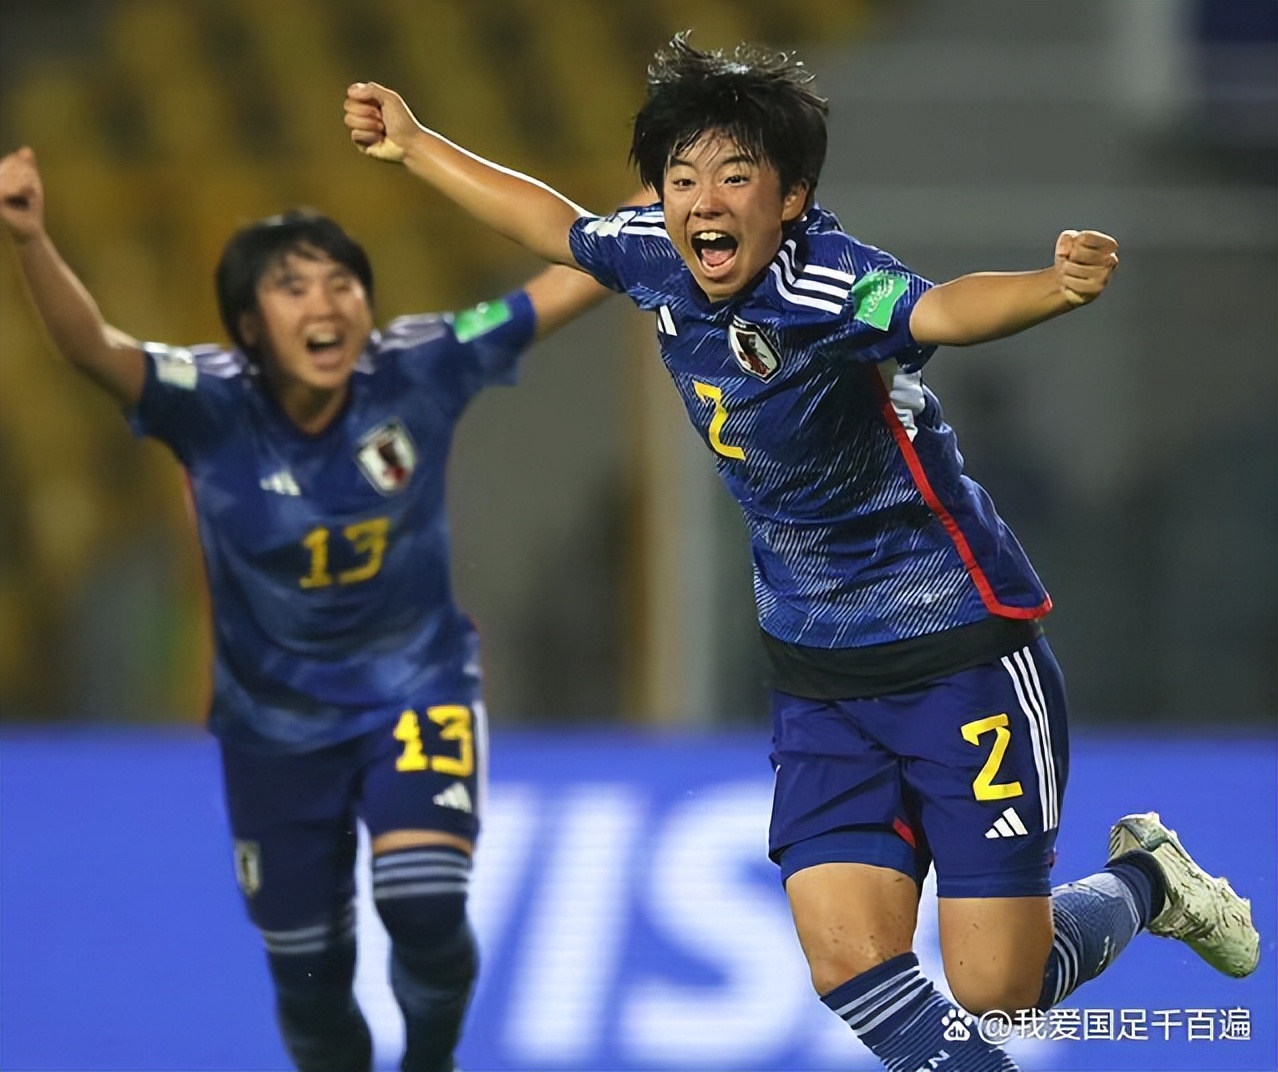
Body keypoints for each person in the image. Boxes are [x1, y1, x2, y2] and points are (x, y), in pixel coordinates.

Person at [341, 34, 1260, 1072]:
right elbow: (555, 224)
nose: (703, 200)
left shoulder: (832, 285)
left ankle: (1147, 880)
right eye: (683, 178)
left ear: (791, 199)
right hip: (818, 675)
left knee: (996, 987)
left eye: (736, 177)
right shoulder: (652, 253)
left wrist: (1053, 286)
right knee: (850, 963)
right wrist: (417, 145)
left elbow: (942, 308)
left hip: (958, 650)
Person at [0, 144, 617, 1072]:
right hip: (272, 729)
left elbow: (564, 285)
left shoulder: (418, 368)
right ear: (249, 324)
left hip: (416, 689)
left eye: (341, 283)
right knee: (311, 978)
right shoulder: (205, 404)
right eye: (293, 289)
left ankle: (432, 1063)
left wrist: (671, 203)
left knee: (425, 906)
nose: (325, 304)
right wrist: (30, 236)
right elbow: (94, 348)